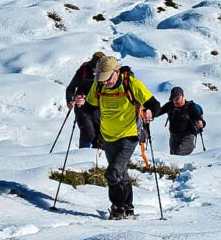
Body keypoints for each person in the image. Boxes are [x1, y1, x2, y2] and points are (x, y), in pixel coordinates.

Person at [74, 56, 160, 219]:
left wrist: (150, 112)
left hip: (129, 135)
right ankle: (128, 207)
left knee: (112, 173)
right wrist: (81, 103)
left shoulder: (132, 84)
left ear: (116, 72)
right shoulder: (98, 86)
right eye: (102, 79)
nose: (105, 82)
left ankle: (118, 208)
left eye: (107, 78)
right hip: (107, 137)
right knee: (122, 173)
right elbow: (89, 109)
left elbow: (154, 104)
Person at [66, 51, 104, 148]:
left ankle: (94, 157)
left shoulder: (106, 73)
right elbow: (71, 88)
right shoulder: (84, 70)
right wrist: (71, 100)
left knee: (99, 134)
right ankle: (85, 156)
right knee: (88, 132)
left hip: (99, 108)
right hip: (82, 107)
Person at [154, 86, 205, 156]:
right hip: (173, 138)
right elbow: (157, 112)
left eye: (177, 99)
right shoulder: (170, 105)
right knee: (173, 159)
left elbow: (200, 119)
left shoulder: (190, 107)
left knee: (177, 156)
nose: (175, 102)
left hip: (186, 138)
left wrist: (200, 122)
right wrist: (148, 112)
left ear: (183, 96)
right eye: (173, 99)